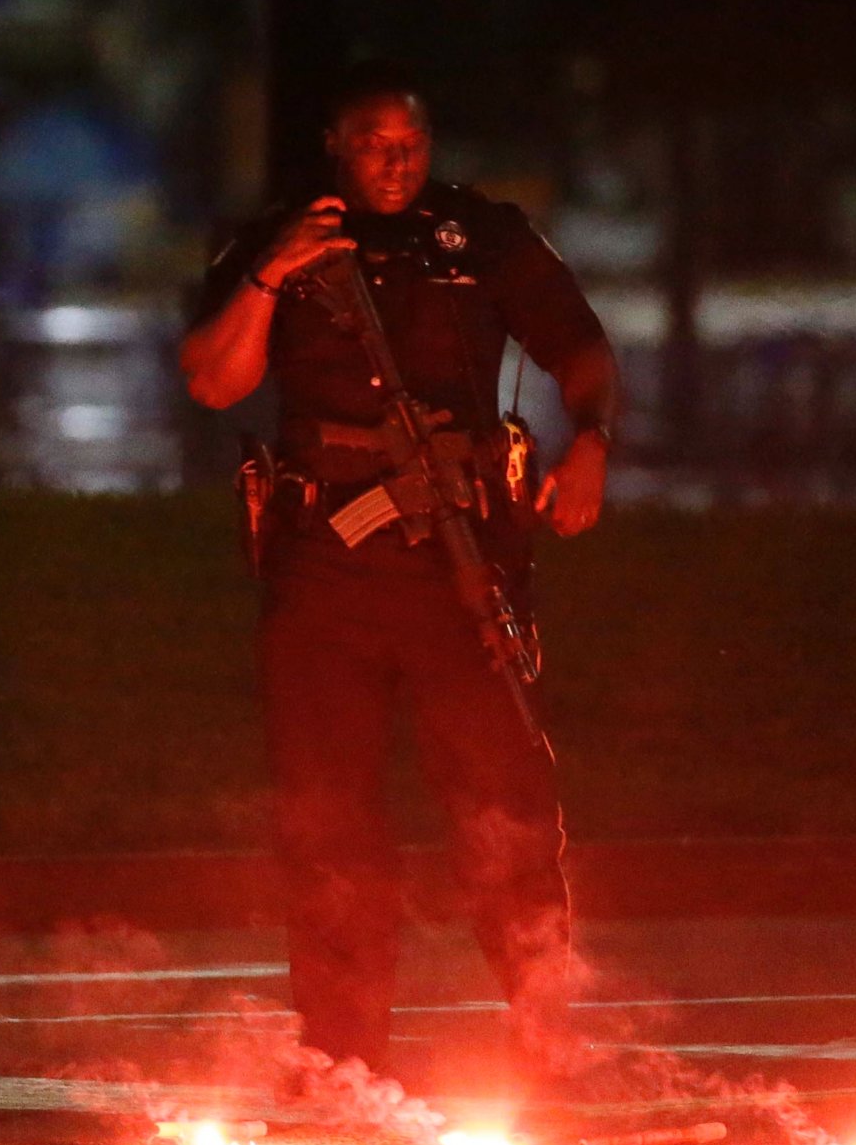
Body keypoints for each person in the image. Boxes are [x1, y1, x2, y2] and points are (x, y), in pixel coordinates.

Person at [180, 72, 620, 1085]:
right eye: (373, 143)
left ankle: (548, 1031)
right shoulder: (274, 242)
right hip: (323, 568)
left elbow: (581, 349)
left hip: (459, 561)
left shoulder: (479, 239)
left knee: (507, 799)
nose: (394, 161)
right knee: (327, 814)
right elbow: (213, 379)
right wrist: (272, 276)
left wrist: (591, 441)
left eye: (410, 143)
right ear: (336, 143)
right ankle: (341, 1059)